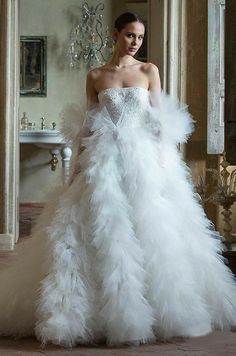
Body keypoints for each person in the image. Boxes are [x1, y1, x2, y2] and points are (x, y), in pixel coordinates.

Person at [0, 11, 236, 349]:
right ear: (116, 34)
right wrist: (75, 172)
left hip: (142, 160)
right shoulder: (96, 75)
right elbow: (86, 127)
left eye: (140, 37)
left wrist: (165, 166)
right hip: (104, 160)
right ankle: (96, 312)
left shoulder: (148, 71)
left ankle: (158, 310)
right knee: (99, 230)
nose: (136, 42)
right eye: (130, 35)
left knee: (152, 230)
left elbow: (159, 122)